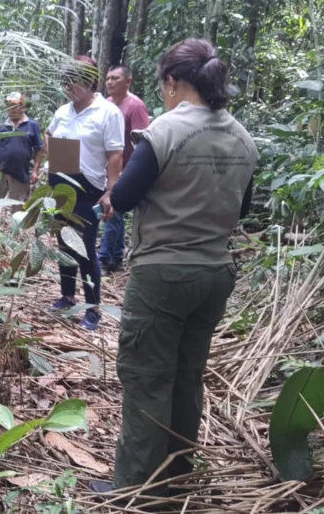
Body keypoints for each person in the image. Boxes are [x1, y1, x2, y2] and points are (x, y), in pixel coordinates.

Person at [90, 39, 257, 497]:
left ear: (172, 82)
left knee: (147, 379)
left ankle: (137, 491)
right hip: (215, 273)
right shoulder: (242, 137)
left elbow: (122, 198)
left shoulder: (165, 130)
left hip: (163, 272)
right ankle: (177, 477)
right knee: (187, 376)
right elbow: (243, 207)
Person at [38, 56, 124, 331]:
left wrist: (111, 191)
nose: (66, 85)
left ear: (88, 81)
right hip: (62, 184)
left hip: (89, 189)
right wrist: (57, 157)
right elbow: (48, 133)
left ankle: (92, 308)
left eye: (71, 80)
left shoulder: (107, 112)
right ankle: (66, 295)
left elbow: (115, 155)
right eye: (64, 80)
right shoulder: (64, 111)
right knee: (64, 242)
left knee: (85, 250)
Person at [100, 65, 150, 272]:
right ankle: (116, 257)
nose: (110, 82)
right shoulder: (107, 104)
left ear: (127, 82)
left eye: (115, 78)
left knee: (112, 210)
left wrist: (133, 172)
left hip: (126, 169)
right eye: (108, 78)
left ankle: (103, 258)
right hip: (107, 168)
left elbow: (144, 140)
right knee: (115, 212)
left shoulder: (135, 106)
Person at [0, 92, 44, 219]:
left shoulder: (32, 125)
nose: (10, 109)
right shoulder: (1, 126)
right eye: (8, 106)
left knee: (19, 209)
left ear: (22, 107)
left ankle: (16, 234)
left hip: (20, 173)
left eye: (14, 106)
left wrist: (35, 171)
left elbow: (39, 149)